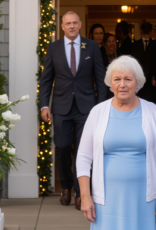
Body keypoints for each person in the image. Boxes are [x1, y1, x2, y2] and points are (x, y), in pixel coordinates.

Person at [77, 56, 156, 230]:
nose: (122, 85)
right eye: (117, 79)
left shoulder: (153, 111)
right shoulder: (97, 112)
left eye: (128, 79)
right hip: (107, 200)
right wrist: (85, 197)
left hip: (147, 200)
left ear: (137, 82)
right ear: (110, 83)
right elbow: (83, 158)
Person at [40, 11, 109, 209]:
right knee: (62, 147)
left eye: (74, 23)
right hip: (61, 107)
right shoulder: (53, 48)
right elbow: (46, 80)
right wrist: (45, 105)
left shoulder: (92, 46)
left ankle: (80, 193)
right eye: (67, 23)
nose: (71, 26)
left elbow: (100, 78)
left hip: (86, 107)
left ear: (80, 25)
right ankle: (66, 187)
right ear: (62, 26)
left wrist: (100, 106)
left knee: (83, 149)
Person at [130, 21, 156, 103]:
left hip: (151, 82)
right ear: (151, 31)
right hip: (138, 80)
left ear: (141, 31)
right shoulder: (135, 45)